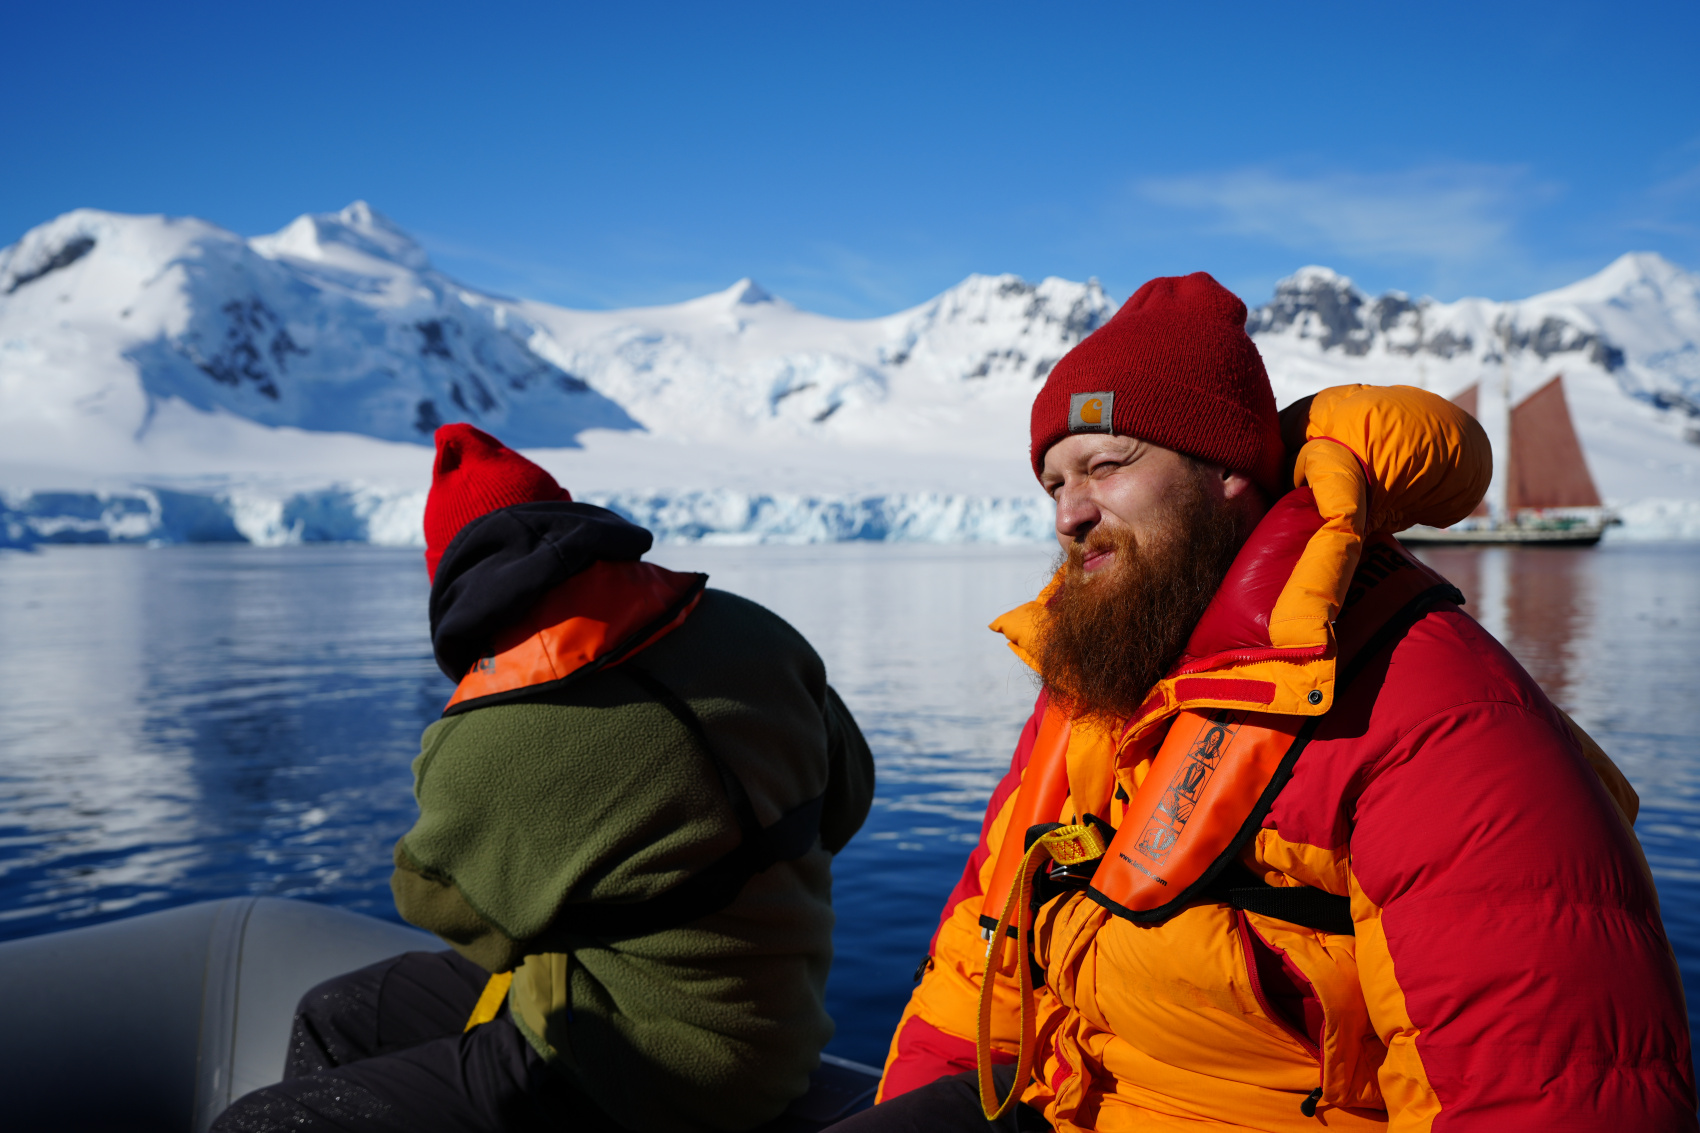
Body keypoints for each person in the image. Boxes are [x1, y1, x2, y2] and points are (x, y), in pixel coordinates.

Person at [842, 273, 1697, 1132]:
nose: (1070, 513)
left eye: (1107, 463)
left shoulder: (1430, 711)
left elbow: (1540, 1090)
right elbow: (975, 969)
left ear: (1225, 472)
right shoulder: (1098, 678)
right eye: (1054, 481)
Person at [215, 424, 876, 1133]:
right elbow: (848, 796)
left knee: (261, 1120)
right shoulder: (758, 630)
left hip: (644, 1068)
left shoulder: (489, 734)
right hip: (780, 1031)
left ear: (447, 573)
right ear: (574, 520)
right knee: (342, 1008)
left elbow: (451, 908)